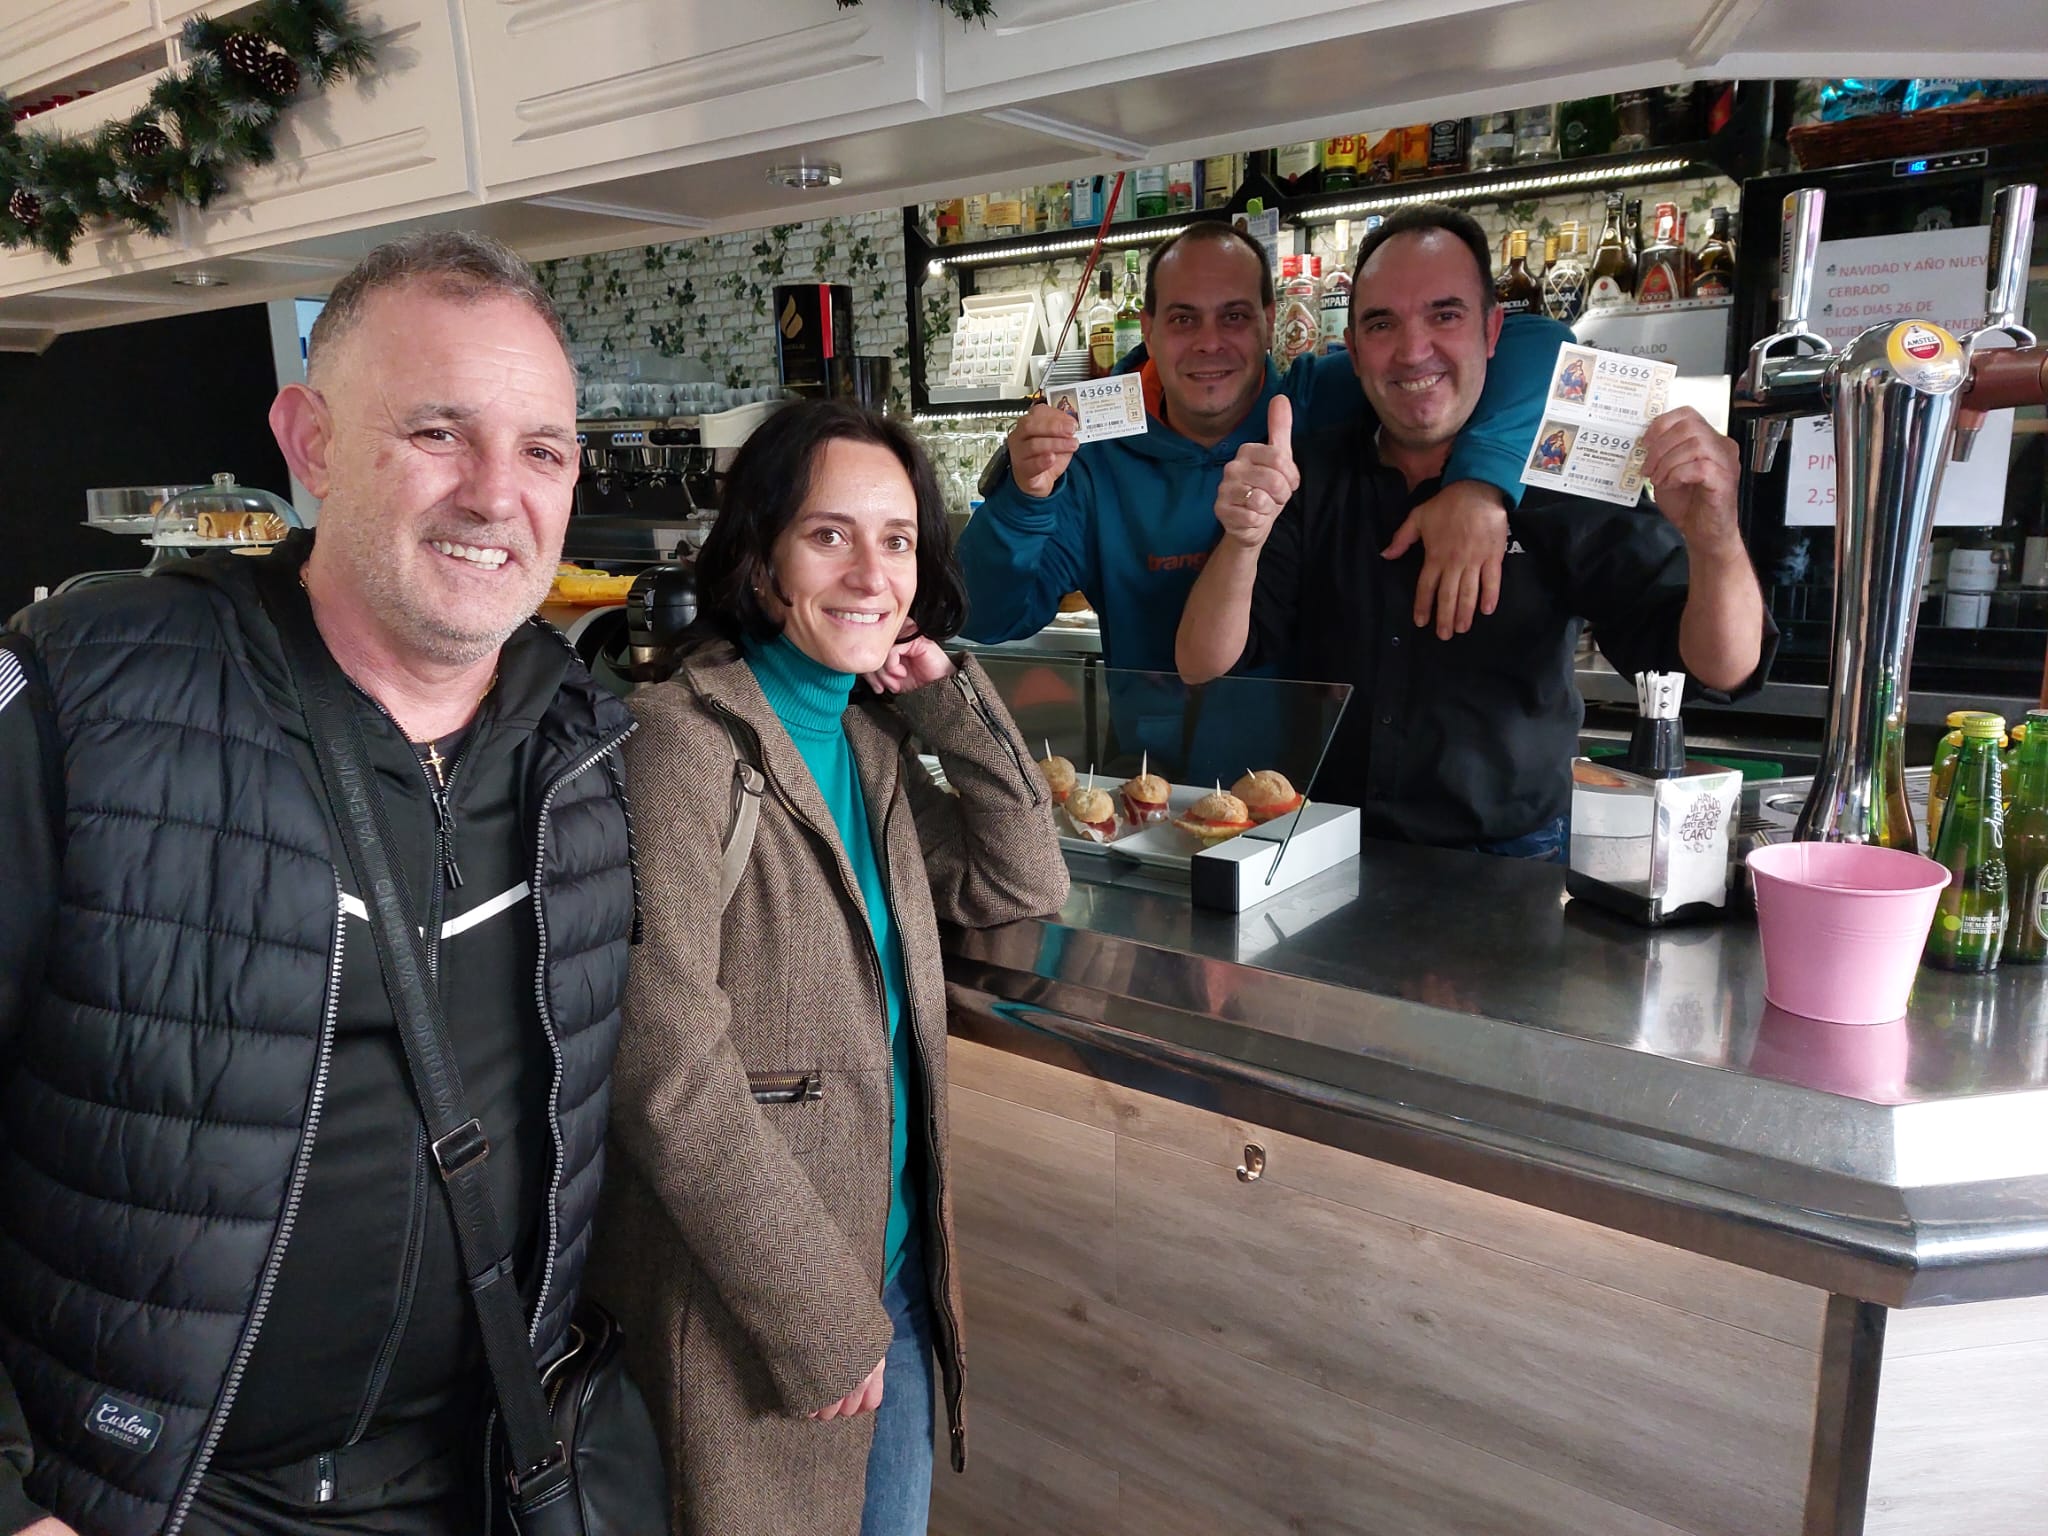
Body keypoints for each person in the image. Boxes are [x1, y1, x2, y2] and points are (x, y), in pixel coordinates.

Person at [0, 231, 637, 1536]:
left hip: (486, 1480)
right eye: (438, 433)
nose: (493, 493)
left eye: (542, 451)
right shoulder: (87, 699)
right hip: (146, 1500)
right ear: (311, 441)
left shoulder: (588, 749)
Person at [585, 400, 1068, 1536]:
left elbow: (1022, 874)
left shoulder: (867, 743)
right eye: (828, 536)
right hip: (760, 1297)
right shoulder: (679, 744)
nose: (870, 572)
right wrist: (814, 1312)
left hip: (888, 1271)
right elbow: (662, 1070)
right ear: (758, 560)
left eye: (896, 539)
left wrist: (942, 692)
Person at [1177, 204, 1772, 860]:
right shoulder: (1312, 471)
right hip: (1324, 852)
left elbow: (1719, 667)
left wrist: (1715, 537)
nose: (1412, 351)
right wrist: (1242, 536)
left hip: (1516, 864)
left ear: (1492, 330)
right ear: (1353, 348)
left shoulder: (1558, 475)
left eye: (1445, 314)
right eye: (1382, 323)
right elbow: (1203, 661)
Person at [956, 219, 1575, 675]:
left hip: (1320, 800)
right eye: (1182, 319)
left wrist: (1478, 485)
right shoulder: (1096, 455)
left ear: (1269, 320)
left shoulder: (1324, 400)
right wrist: (1025, 499)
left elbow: (1542, 346)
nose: (1209, 343)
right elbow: (985, 617)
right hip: (1161, 800)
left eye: (1233, 317)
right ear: (1147, 329)